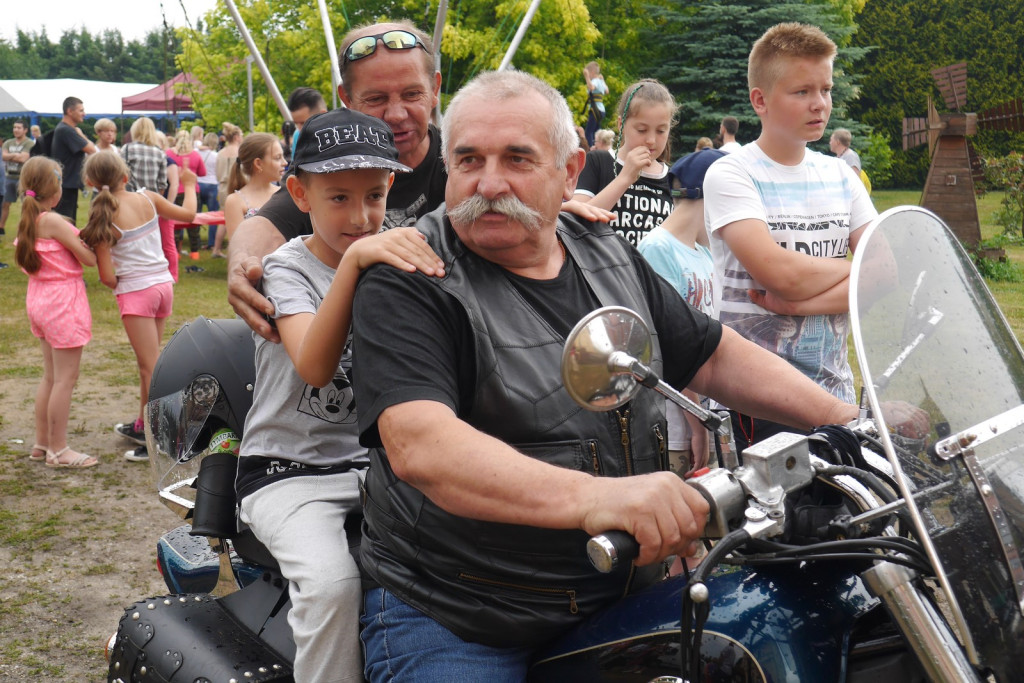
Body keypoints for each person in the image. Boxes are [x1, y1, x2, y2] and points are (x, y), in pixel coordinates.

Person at [349, 69, 860, 679]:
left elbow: (710, 352)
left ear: (569, 171)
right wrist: (599, 499)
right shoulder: (410, 276)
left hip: (621, 592)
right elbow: (421, 446)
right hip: (465, 612)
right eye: (469, 159)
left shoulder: (604, 249)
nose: (488, 182)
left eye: (516, 158)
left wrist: (851, 421)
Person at [227, 20, 613, 342]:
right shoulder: (332, 175)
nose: (396, 114)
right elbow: (264, 223)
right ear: (346, 98)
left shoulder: (465, 163)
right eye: (376, 98)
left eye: (411, 93)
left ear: (435, 89)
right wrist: (242, 267)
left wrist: (550, 214)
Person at [237, 107, 444, 683]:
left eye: (374, 196)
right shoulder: (288, 270)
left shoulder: (399, 252)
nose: (360, 216)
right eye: (338, 199)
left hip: (376, 465)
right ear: (299, 194)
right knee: (332, 585)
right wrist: (355, 262)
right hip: (289, 470)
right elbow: (315, 367)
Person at [703, 22, 876, 451]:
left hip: (834, 399)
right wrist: (856, 271)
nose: (820, 104)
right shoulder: (731, 173)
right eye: (802, 92)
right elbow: (781, 275)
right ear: (760, 100)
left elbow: (889, 273)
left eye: (826, 89)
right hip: (755, 406)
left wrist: (800, 304)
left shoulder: (840, 175)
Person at [80, 151, 198, 461]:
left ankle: (162, 438)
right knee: (149, 365)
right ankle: (143, 425)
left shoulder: (102, 216)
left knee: (151, 367)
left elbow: (106, 277)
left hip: (137, 293)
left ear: (90, 182)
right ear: (125, 177)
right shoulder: (149, 198)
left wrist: (126, 280)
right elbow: (188, 215)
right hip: (162, 287)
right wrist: (189, 185)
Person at [638, 148, 725, 475]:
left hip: (706, 416)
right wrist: (695, 422)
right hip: (677, 428)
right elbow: (673, 345)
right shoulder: (658, 249)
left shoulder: (702, 253)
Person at [15, 157, 99, 468]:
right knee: (65, 379)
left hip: (40, 300)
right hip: (62, 303)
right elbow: (88, 257)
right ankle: (59, 450)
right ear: (55, 190)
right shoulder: (51, 221)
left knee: (51, 377)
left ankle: (42, 443)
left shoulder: (32, 219)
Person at [573, 78, 676, 247]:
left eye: (661, 131)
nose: (651, 140)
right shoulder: (599, 161)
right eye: (641, 130)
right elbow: (573, 223)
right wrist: (625, 178)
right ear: (621, 125)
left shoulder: (672, 178)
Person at [222, 133, 285, 240]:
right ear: (258, 164)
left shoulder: (284, 194)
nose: (285, 162)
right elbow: (238, 247)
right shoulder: (235, 201)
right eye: (277, 158)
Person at [50, 96, 97, 223]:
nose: (84, 114)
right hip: (66, 185)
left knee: (67, 221)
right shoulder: (67, 131)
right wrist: (81, 135)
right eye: (81, 110)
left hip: (65, 183)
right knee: (67, 222)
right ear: (70, 111)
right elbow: (92, 150)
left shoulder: (63, 129)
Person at [166, 129, 207, 257]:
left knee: (175, 222)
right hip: (193, 192)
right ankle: (194, 252)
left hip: (175, 190)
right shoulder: (195, 155)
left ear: (176, 139)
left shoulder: (168, 153)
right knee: (194, 222)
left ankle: (176, 252)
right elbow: (202, 172)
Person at [2, 120, 34, 237]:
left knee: (26, 204)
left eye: (19, 128)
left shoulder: (29, 143)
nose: (16, 130)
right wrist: (16, 155)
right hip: (8, 177)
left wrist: (9, 156)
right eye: (14, 127)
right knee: (4, 204)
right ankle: (1, 227)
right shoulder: (8, 142)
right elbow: (3, 156)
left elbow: (23, 159)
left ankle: (24, 230)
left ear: (25, 130)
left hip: (23, 178)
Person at [196, 132, 223, 256]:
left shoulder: (197, 153)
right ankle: (212, 242)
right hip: (212, 185)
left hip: (199, 184)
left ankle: (195, 242)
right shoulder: (216, 155)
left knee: (196, 215)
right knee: (214, 215)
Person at [284, 86, 327, 156]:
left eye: (304, 123)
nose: (299, 129)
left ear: (322, 115)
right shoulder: (297, 135)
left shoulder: (342, 133)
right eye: (296, 123)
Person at [830, 127, 871, 193]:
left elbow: (854, 180)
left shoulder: (850, 156)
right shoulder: (840, 157)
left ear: (837, 142)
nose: (830, 143)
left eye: (831, 140)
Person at [215, 123, 243, 208]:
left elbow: (218, 174)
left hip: (223, 189)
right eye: (241, 135)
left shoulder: (220, 153)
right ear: (236, 137)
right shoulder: (241, 152)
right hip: (239, 190)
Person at [582, 60, 608, 147]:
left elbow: (591, 87)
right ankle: (598, 147)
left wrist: (586, 77)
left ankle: (590, 149)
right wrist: (603, 80)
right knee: (596, 132)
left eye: (589, 73)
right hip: (601, 110)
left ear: (592, 72)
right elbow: (607, 91)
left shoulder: (595, 80)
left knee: (588, 132)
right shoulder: (600, 81)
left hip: (595, 110)